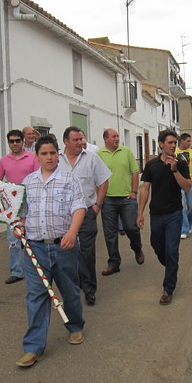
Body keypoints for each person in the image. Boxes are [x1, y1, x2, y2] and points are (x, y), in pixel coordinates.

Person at [14, 136, 87, 368]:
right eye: (44, 154)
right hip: (35, 247)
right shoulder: (28, 182)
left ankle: (75, 326)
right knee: (36, 296)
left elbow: (78, 207)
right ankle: (33, 347)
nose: (49, 157)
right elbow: (21, 212)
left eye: (53, 153)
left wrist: (72, 233)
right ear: (37, 156)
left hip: (63, 247)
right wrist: (18, 227)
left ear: (58, 154)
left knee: (69, 290)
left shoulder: (69, 179)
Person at [136, 130, 191, 305]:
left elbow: (187, 187)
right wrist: (140, 213)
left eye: (175, 142)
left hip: (174, 213)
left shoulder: (181, 163)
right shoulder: (151, 165)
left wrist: (174, 170)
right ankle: (169, 263)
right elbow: (145, 189)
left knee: (172, 251)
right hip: (157, 214)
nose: (173, 145)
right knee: (157, 246)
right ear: (161, 144)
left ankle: (168, 288)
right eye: (169, 142)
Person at [59, 126, 111, 306]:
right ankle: (72, 288)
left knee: (87, 253)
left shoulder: (92, 158)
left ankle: (89, 290)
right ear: (66, 141)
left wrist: (97, 205)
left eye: (82, 139)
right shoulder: (56, 160)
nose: (81, 143)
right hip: (63, 216)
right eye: (76, 140)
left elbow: (104, 181)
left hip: (87, 212)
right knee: (66, 252)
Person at [97, 128, 145, 275]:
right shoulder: (99, 155)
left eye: (118, 136)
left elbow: (135, 172)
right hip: (108, 199)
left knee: (131, 227)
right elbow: (95, 176)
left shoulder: (126, 152)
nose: (117, 138)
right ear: (105, 139)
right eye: (114, 136)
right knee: (110, 233)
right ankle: (114, 263)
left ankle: (137, 248)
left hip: (127, 198)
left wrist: (134, 191)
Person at [0, 129, 40, 284]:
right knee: (13, 239)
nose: (14, 144)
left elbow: (38, 178)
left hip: (30, 202)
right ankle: (16, 271)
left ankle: (34, 268)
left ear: (22, 142)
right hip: (12, 205)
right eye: (11, 141)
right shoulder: (4, 161)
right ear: (9, 143)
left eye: (17, 141)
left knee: (32, 235)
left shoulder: (33, 158)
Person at [175, 133, 192, 239]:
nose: (190, 143)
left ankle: (189, 223)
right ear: (181, 141)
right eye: (188, 141)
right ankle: (184, 229)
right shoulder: (175, 152)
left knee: (191, 206)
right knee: (182, 207)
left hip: (190, 182)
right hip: (178, 183)